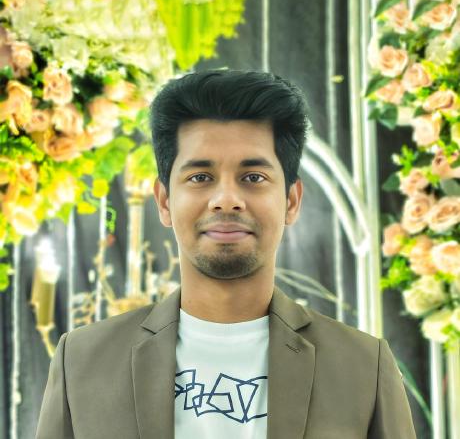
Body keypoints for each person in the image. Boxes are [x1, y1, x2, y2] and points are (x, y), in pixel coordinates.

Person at [36, 69, 416, 439]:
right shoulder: (82, 361)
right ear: (165, 201)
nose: (227, 200)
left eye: (253, 178)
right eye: (200, 177)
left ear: (291, 200)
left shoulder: (363, 367)